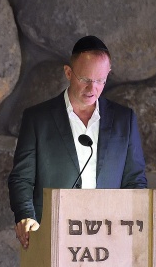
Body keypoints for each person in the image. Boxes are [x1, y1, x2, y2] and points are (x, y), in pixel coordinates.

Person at [8, 35, 147, 249]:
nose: (93, 89)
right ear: (68, 73)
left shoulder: (124, 119)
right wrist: (26, 216)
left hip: (109, 240)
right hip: (51, 236)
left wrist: (132, 233)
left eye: (100, 80)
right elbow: (21, 178)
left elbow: (135, 181)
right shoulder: (37, 118)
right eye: (85, 79)